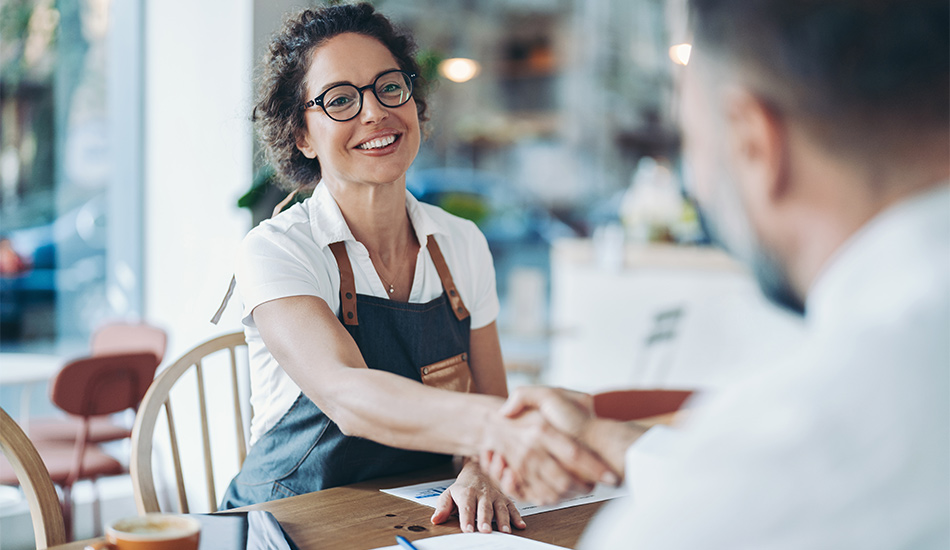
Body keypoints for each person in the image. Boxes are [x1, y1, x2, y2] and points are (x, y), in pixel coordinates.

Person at [489, 0, 950, 547]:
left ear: (754, 141)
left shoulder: (802, 437)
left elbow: (771, 483)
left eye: (693, 144)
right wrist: (605, 436)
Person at [220, 3, 615, 534]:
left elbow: (489, 399)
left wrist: (482, 469)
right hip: (285, 524)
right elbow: (347, 394)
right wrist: (499, 432)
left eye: (389, 87)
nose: (374, 113)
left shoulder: (462, 243)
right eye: (340, 100)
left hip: (415, 516)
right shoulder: (276, 250)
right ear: (302, 136)